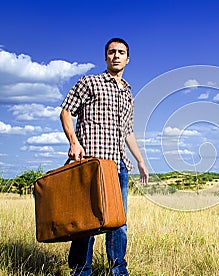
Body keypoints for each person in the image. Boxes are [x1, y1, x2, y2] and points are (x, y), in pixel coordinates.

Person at [60, 37, 149, 275]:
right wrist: (73, 142)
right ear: (105, 57)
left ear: (128, 59)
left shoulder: (129, 93)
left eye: (121, 52)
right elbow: (66, 111)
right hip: (92, 162)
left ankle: (118, 269)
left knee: (118, 221)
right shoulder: (90, 82)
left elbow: (127, 131)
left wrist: (140, 161)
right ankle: (81, 270)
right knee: (86, 221)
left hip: (118, 165)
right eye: (111, 52)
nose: (116, 55)